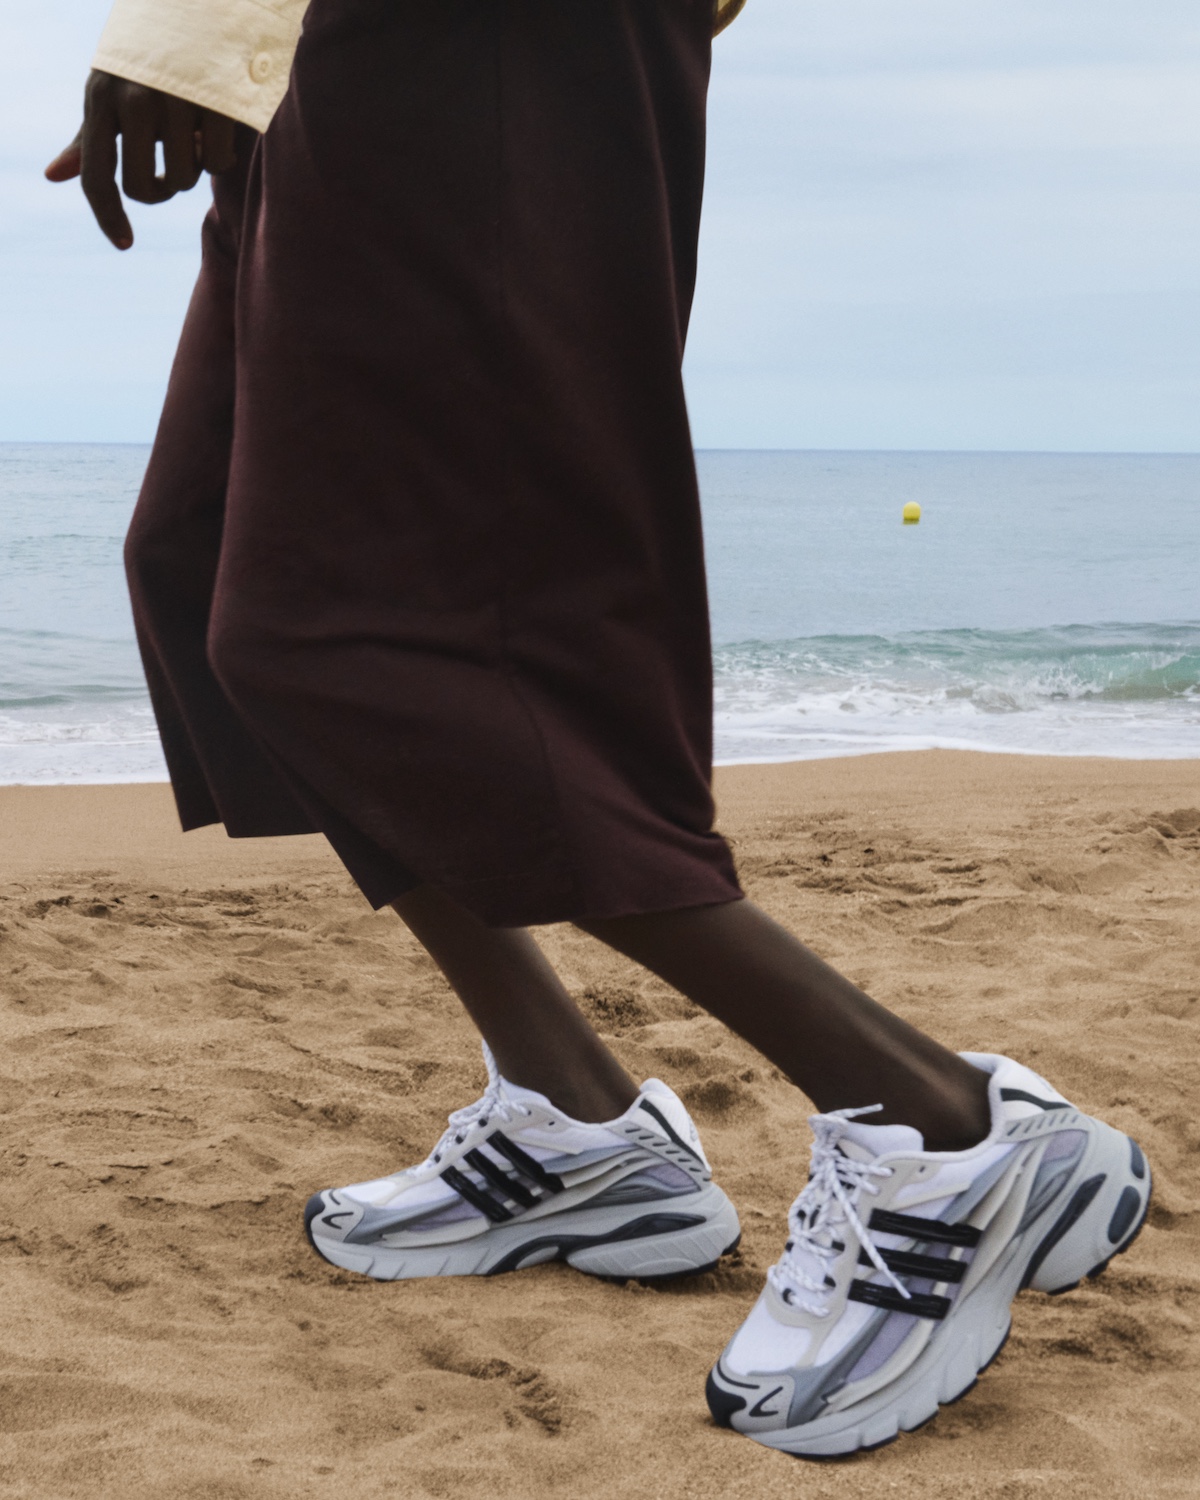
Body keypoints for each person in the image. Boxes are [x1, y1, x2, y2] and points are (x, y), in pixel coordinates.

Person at [47, 0, 1151, 1459]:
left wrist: (188, 22)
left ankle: (943, 1127)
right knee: (208, 576)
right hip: (324, 45)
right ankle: (576, 1119)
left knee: (351, 632)